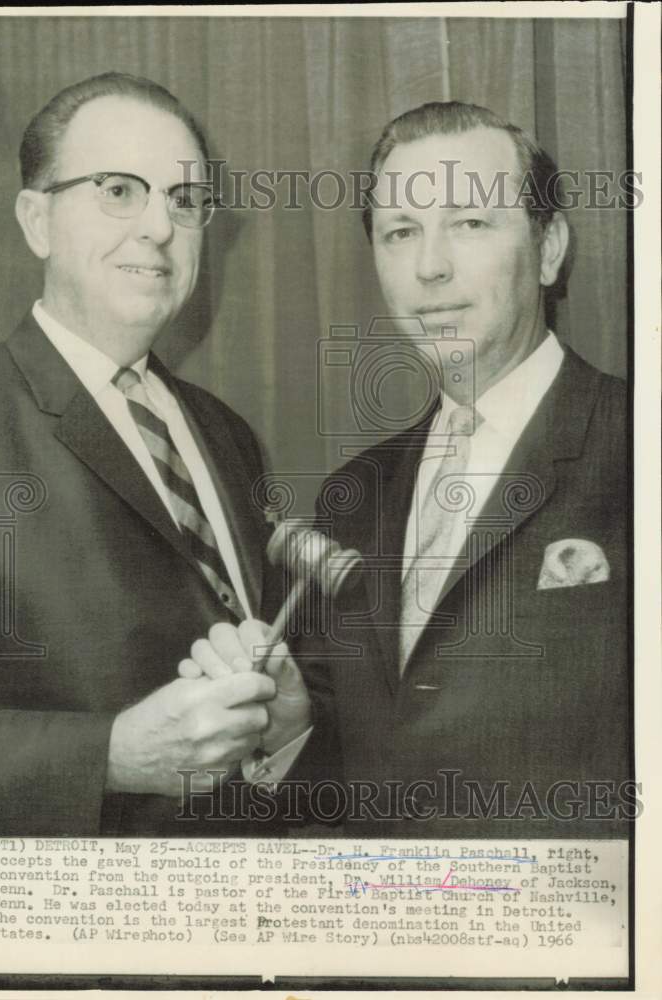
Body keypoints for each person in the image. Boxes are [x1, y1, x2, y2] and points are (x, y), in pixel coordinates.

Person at [183, 102, 631, 837]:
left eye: (470, 223)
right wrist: (293, 723)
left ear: (549, 249)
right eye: (400, 233)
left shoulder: (638, 449)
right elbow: (358, 780)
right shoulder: (353, 497)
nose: (430, 267)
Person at [0, 72, 311, 836]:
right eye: (119, 190)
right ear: (36, 220)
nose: (159, 226)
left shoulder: (227, 435)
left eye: (184, 202)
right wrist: (109, 757)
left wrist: (285, 732)